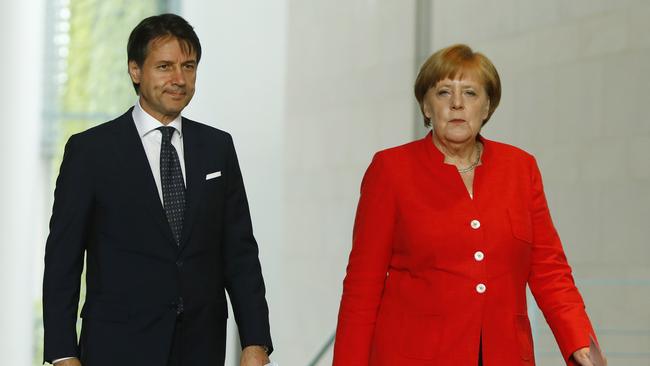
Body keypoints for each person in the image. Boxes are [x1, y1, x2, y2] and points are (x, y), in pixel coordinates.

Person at [333, 44, 605, 365]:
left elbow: (550, 271)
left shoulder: (520, 168)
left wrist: (578, 341)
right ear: (426, 106)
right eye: (444, 92)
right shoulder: (390, 170)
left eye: (471, 93)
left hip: (505, 355)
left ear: (487, 106)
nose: (458, 104)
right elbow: (362, 288)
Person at [42, 14, 273, 366]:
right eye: (165, 66)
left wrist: (255, 341)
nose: (179, 79)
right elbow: (63, 260)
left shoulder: (217, 147)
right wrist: (62, 353)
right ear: (136, 70)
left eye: (188, 66)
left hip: (201, 347)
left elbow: (240, 252)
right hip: (117, 348)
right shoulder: (91, 151)